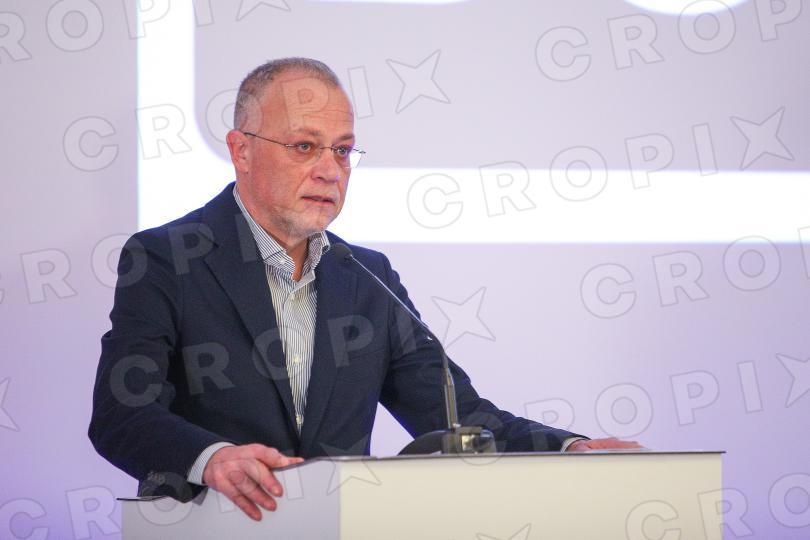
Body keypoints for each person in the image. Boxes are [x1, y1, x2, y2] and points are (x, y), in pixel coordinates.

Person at [88, 57, 642, 521]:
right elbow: (120, 415)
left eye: (342, 150)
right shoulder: (167, 258)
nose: (331, 171)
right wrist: (212, 459)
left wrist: (570, 447)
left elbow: (457, 416)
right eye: (305, 147)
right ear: (242, 150)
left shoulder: (366, 276)